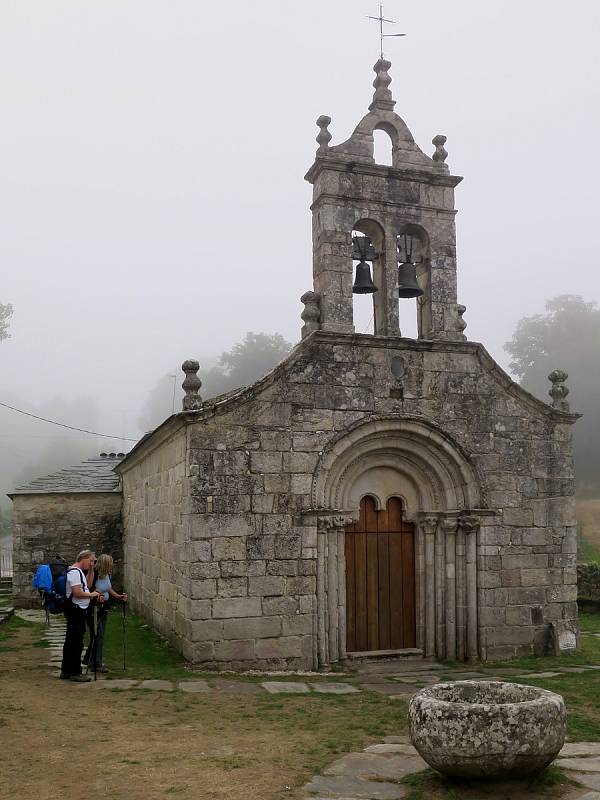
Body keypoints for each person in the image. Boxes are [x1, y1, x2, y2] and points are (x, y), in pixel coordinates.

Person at [60, 549, 104, 682]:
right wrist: (92, 595)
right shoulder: (74, 572)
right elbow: (78, 592)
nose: (92, 563)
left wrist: (91, 570)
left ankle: (67, 670)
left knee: (73, 640)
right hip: (75, 610)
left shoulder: (78, 572)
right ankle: (74, 671)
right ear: (83, 558)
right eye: (91, 561)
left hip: (79, 609)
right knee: (75, 642)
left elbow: (88, 585)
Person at [83, 553, 127, 673]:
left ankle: (89, 659)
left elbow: (109, 588)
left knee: (97, 635)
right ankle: (96, 663)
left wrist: (119, 596)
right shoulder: (94, 575)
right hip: (94, 609)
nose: (111, 568)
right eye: (110, 565)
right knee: (98, 635)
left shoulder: (107, 574)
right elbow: (90, 590)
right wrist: (98, 596)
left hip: (104, 609)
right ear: (105, 565)